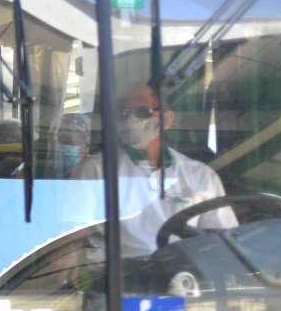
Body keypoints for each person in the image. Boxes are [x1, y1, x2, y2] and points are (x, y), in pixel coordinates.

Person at [72, 81, 232, 257]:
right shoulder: (95, 171)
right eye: (124, 113)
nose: (131, 121)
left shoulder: (200, 176)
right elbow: (74, 238)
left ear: (167, 119)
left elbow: (223, 239)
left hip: (187, 276)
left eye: (142, 112)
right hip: (120, 278)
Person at [53, 113, 91, 178]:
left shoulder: (92, 180)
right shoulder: (48, 174)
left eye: (68, 142)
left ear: (86, 149)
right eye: (59, 141)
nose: (60, 146)